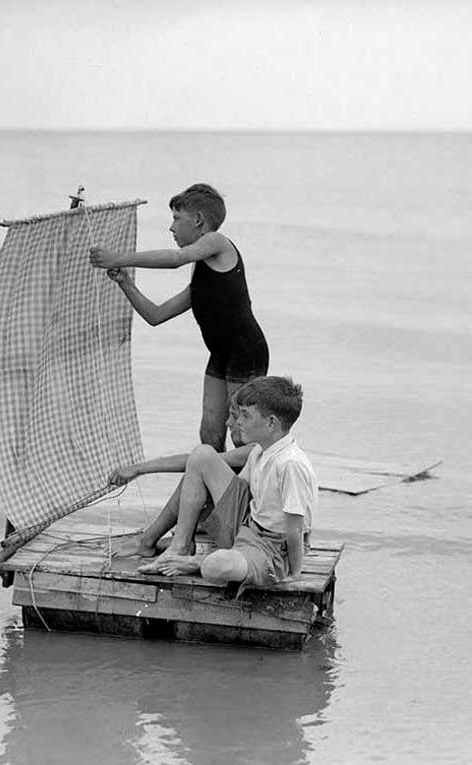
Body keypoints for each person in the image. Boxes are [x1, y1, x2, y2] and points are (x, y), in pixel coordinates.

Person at [89, 183, 268, 451]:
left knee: (242, 436)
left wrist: (117, 258)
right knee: (209, 433)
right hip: (220, 354)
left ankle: (247, 490)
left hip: (246, 353)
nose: (171, 228)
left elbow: (175, 259)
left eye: (176, 219)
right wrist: (125, 282)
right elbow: (156, 315)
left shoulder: (217, 242)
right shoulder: (203, 275)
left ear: (198, 220)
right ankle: (215, 487)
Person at [115, 376, 317, 588]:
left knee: (214, 567)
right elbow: (234, 491)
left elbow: (295, 529)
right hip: (249, 527)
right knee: (202, 454)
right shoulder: (260, 450)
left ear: (271, 422)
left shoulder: (290, 464)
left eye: (245, 416)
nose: (237, 422)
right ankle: (179, 547)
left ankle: (195, 561)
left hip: (273, 548)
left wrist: (295, 574)